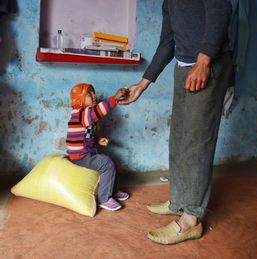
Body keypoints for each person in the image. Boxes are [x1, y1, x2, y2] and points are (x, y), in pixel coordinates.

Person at [120, 0, 233, 244]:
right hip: (184, 68)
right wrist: (143, 84)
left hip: (208, 65)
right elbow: (167, 43)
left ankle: (190, 220)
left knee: (196, 140)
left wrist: (203, 61)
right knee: (179, 138)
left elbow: (220, 11)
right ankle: (179, 202)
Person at [66, 83, 130, 211]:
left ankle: (112, 190)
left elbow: (83, 136)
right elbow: (98, 111)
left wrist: (97, 140)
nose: (94, 95)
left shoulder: (83, 114)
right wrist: (115, 98)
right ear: (79, 98)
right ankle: (104, 198)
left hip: (84, 153)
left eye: (93, 92)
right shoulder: (82, 112)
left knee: (110, 161)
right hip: (80, 156)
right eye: (89, 93)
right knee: (107, 163)